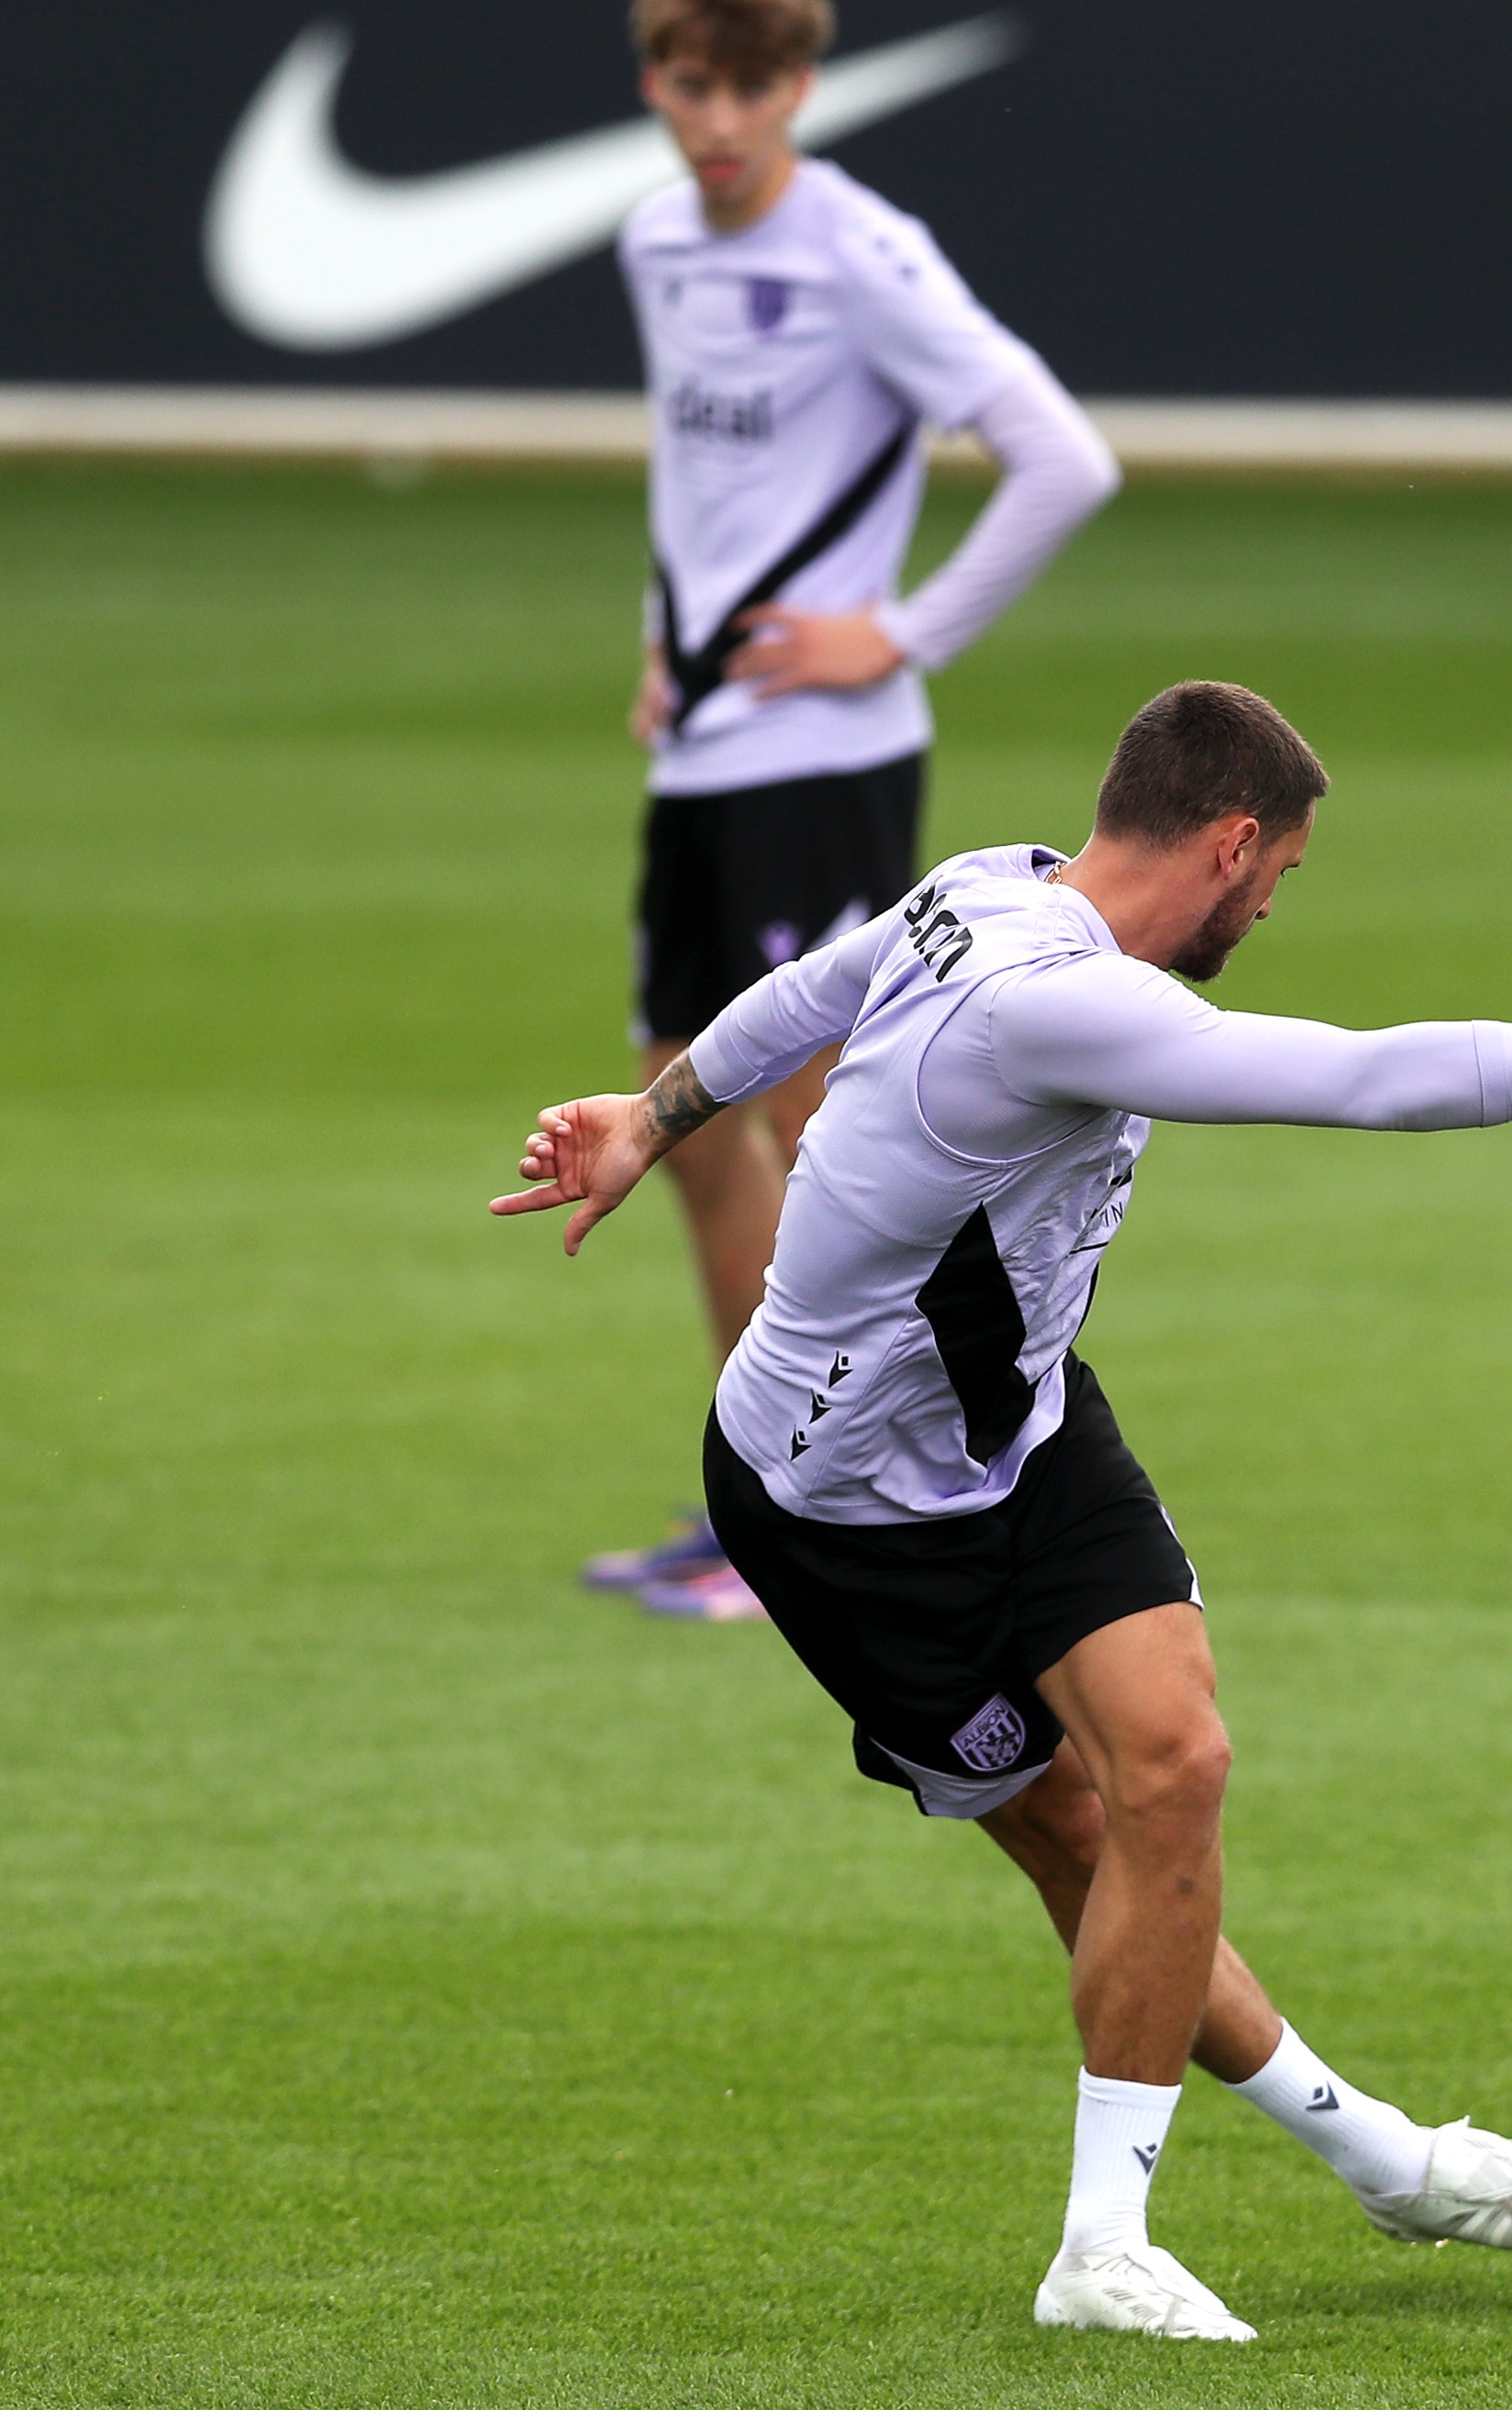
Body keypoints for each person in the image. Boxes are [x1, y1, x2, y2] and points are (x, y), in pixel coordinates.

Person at [494, 682, 1512, 2337]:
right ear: (1225, 845)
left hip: (1031, 1415)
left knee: (1178, 1763)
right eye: (1279, 871)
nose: (1278, 903)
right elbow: (1371, 1079)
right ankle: (1377, 2160)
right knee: (1081, 1839)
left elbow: (808, 986)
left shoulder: (992, 878)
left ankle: (1127, 2239)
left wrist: (654, 1118)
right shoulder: (1056, 1004)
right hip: (847, 1507)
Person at [587, 0, 1122, 1620]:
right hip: (706, 755)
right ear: (654, 81)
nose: (723, 117)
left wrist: (900, 632)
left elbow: (1060, 457)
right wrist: (662, 646)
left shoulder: (864, 253)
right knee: (677, 1117)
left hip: (822, 764)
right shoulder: (652, 243)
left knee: (826, 1130)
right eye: (694, 82)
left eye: (757, 86)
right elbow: (709, 485)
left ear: (804, 86)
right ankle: (752, 1497)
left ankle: (841, 1506)